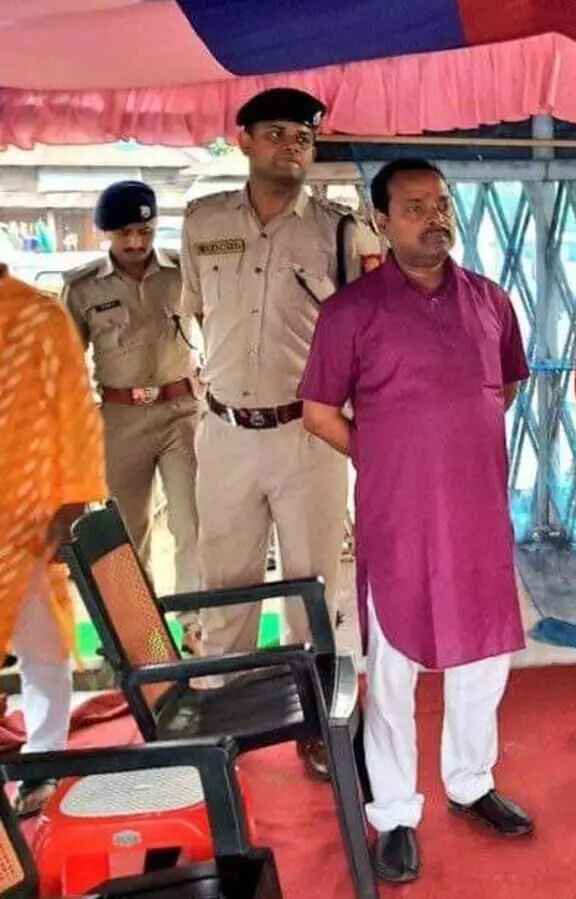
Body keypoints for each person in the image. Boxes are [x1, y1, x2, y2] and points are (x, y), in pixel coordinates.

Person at [299, 158, 534, 883]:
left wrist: (450, 447)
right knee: (394, 668)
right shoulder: (351, 312)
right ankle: (395, 812)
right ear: (380, 220)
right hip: (397, 517)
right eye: (413, 207)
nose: (434, 218)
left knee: (481, 660)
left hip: (477, 515)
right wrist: (391, 455)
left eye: (441, 204)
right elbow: (316, 413)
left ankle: (470, 780)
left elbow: (507, 385)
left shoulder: (491, 300)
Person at [179, 87, 383, 778]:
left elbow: (364, 333)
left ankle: (317, 726)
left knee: (314, 587)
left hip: (308, 435)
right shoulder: (202, 221)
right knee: (225, 582)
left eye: (301, 136)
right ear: (243, 141)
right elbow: (192, 313)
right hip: (227, 434)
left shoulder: (338, 230)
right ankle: (223, 720)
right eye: (274, 133)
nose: (289, 146)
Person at [62, 181, 203, 651]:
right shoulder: (83, 287)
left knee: (192, 521)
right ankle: (135, 635)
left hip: (182, 410)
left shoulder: (183, 273)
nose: (137, 242)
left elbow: (216, 326)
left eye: (145, 230)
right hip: (120, 418)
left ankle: (195, 625)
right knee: (126, 530)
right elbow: (66, 359)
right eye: (125, 234)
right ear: (104, 232)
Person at [0, 261, 109, 815]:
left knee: (41, 646)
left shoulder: (41, 316)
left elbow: (75, 412)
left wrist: (71, 502)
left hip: (27, 513)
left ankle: (43, 761)